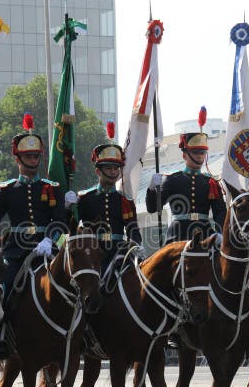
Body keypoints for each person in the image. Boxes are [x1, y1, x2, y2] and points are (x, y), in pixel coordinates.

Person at [0, 113, 66, 358]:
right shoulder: (7, 190)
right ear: (17, 159)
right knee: (2, 289)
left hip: (46, 250)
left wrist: (50, 239)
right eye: (28, 156)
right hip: (16, 251)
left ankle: (76, 332)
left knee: (73, 285)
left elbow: (60, 220)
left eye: (35, 155)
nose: (32, 160)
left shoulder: (52, 188)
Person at [146, 108, 226, 244]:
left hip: (205, 234)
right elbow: (153, 208)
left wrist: (219, 233)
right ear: (184, 155)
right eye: (195, 153)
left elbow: (220, 212)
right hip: (178, 235)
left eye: (202, 153)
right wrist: (152, 189)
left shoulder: (211, 182)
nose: (199, 156)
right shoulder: (173, 180)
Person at [72, 128, 143, 280]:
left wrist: (136, 245)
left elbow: (133, 230)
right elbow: (70, 225)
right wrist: (67, 208)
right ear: (98, 171)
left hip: (119, 253)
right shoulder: (84, 198)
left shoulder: (125, 200)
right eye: (108, 168)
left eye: (116, 168)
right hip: (92, 253)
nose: (112, 172)